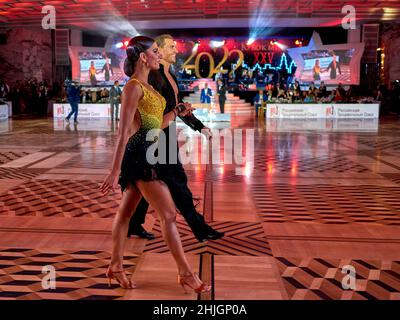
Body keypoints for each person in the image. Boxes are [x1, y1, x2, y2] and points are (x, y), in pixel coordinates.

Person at [100, 36, 211, 292]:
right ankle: (185, 273)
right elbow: (125, 131)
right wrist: (114, 170)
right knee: (169, 214)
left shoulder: (149, 86)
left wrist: (177, 112)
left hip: (153, 153)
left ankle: (116, 266)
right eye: (154, 51)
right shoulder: (133, 87)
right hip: (140, 157)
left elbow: (156, 125)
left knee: (126, 213)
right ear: (143, 57)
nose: (158, 55)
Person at [128, 34, 224, 242]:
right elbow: (152, 116)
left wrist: (199, 126)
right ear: (159, 50)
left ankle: (133, 224)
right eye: (171, 46)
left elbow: (176, 109)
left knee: (146, 185)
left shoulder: (169, 74)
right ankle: (200, 230)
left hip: (165, 138)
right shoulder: (153, 77)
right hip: (157, 141)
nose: (176, 50)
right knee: (178, 185)